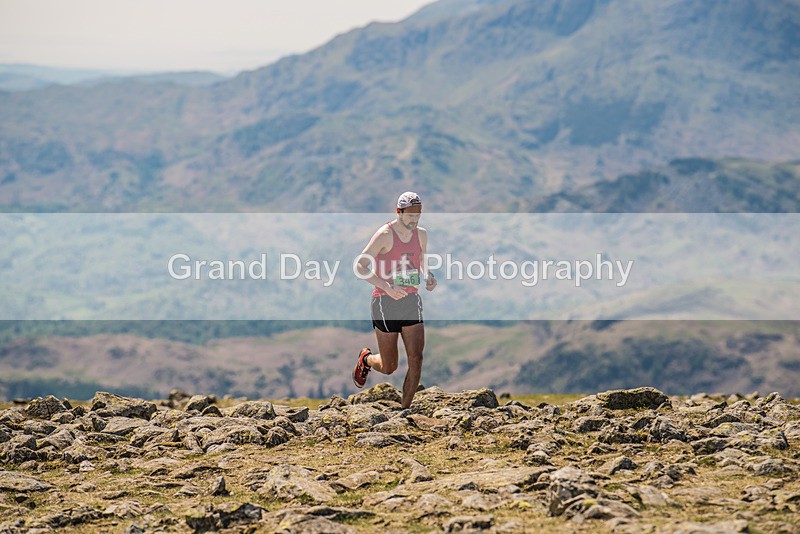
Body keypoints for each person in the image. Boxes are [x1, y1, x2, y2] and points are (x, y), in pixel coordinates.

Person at [352, 191, 437, 409]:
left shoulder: (422, 234)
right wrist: (387, 288)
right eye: (410, 215)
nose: (414, 219)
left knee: (416, 359)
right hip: (385, 303)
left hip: (411, 300)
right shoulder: (385, 235)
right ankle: (366, 359)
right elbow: (359, 266)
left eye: (418, 214)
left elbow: (421, 258)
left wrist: (428, 275)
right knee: (389, 366)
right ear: (398, 212)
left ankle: (403, 411)